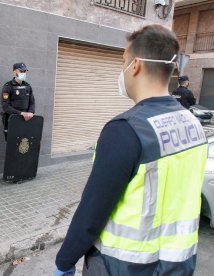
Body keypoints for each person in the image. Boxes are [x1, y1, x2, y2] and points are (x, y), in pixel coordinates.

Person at [54, 25, 207, 276]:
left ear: (135, 65)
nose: (122, 69)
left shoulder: (125, 130)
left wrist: (65, 261)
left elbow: (93, 210)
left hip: (122, 266)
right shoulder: (193, 124)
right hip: (179, 264)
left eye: (123, 61)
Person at [1, 62, 35, 140]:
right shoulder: (8, 86)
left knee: (25, 144)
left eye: (25, 71)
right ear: (14, 72)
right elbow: (5, 106)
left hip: (26, 120)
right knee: (13, 144)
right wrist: (20, 113)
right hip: (13, 120)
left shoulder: (28, 86)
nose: (23, 73)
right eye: (21, 71)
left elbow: (32, 102)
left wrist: (31, 112)